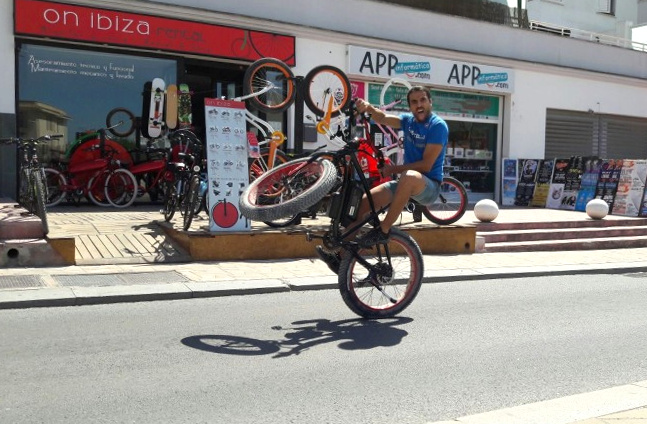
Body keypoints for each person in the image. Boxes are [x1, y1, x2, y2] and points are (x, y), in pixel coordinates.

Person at [316, 85, 449, 273]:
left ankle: (384, 230)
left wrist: (394, 169)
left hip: (428, 187)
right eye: (414, 102)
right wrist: (368, 107)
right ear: (410, 106)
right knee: (363, 204)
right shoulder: (408, 121)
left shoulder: (437, 126)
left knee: (409, 176)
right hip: (405, 183)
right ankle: (339, 257)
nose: (419, 105)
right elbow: (383, 118)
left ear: (430, 102)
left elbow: (426, 165)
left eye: (422, 100)